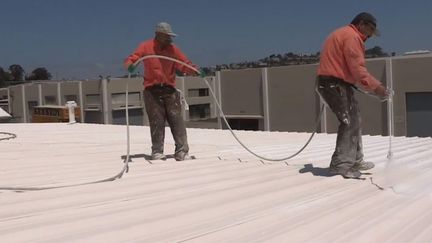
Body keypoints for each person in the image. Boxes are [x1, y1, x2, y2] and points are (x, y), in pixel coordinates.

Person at [316, 12, 388, 179]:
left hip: (337, 83)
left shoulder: (343, 33)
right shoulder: (351, 37)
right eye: (369, 30)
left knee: (354, 119)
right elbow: (358, 70)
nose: (369, 36)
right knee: (348, 121)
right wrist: (377, 88)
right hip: (332, 83)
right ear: (361, 23)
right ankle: (341, 165)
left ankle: (354, 159)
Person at [124, 22, 198, 161]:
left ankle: (182, 151)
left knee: (177, 121)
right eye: (167, 36)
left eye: (170, 36)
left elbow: (184, 63)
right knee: (156, 121)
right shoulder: (146, 46)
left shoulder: (173, 50)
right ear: (158, 35)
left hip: (169, 89)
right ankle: (157, 151)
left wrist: (195, 71)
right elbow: (133, 58)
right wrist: (130, 65)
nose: (170, 39)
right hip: (152, 90)